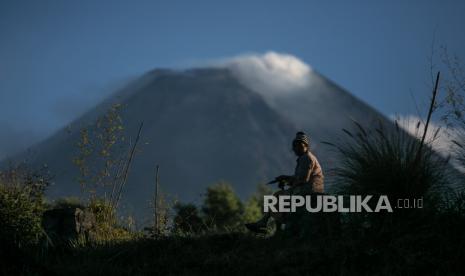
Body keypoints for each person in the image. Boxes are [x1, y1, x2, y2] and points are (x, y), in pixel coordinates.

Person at [245, 131, 324, 233]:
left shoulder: (306, 158)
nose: (297, 148)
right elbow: (299, 177)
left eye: (300, 145)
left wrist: (288, 182)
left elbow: (304, 179)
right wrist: (286, 178)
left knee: (277, 196)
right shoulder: (306, 157)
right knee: (279, 196)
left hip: (309, 190)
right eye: (295, 146)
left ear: (306, 146)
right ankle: (268, 225)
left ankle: (266, 224)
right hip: (311, 188)